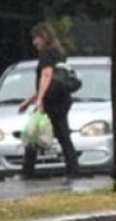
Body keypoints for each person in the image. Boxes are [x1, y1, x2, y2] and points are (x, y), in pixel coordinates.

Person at [18, 22, 80, 179]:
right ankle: (74, 170)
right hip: (62, 99)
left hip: (52, 101)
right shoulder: (59, 53)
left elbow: (46, 76)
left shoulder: (46, 54)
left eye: (36, 38)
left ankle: (27, 172)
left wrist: (39, 100)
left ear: (43, 37)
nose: (34, 42)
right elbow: (51, 80)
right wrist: (29, 100)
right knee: (63, 135)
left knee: (33, 134)